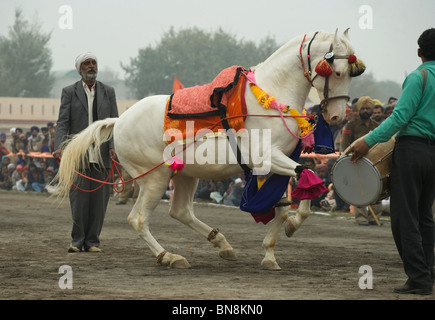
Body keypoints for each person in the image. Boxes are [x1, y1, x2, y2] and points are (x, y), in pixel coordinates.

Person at [347, 28, 435, 295]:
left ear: (419, 52)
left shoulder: (418, 77)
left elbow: (399, 119)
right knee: (425, 216)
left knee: (404, 218)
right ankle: (428, 272)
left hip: (412, 151)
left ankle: (419, 279)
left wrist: (368, 141)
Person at [53, 52, 119, 253]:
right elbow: (63, 122)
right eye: (87, 63)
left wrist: (113, 146)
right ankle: (77, 240)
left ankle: (92, 242)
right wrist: (59, 146)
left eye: (94, 63)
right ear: (80, 69)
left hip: (102, 154)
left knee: (99, 203)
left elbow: (114, 123)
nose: (91, 66)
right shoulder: (69, 92)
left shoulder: (108, 91)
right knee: (79, 201)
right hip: (77, 154)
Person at [340, 96, 383, 225]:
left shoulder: (377, 126)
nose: (365, 110)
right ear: (358, 110)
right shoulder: (351, 125)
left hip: (374, 164)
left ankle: (375, 216)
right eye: (362, 108)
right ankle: (361, 217)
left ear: (371, 110)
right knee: (359, 190)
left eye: (367, 108)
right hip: (356, 162)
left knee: (376, 190)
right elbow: (345, 145)